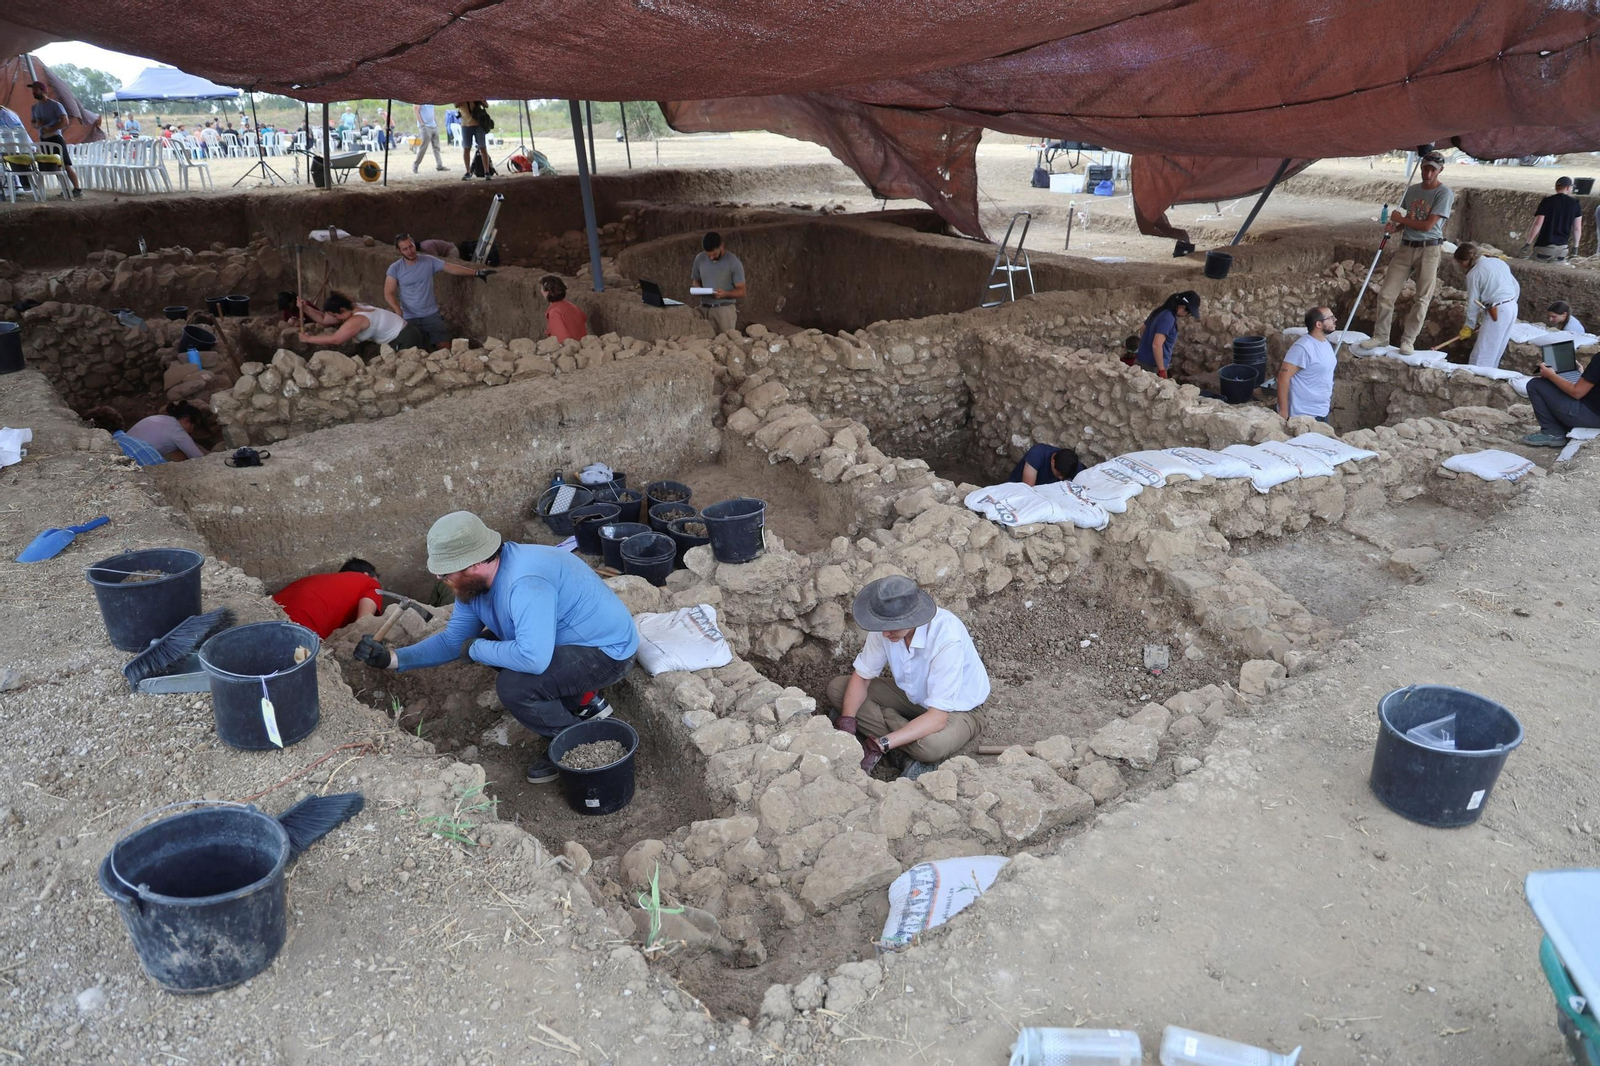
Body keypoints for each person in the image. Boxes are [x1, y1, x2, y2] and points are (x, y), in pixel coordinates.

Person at [351, 511, 639, 783]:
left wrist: (476, 649)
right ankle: (581, 698)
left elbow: (533, 658)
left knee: (513, 686)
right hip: (559, 643)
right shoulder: (472, 586)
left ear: (474, 563)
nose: (439, 579)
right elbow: (453, 642)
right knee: (489, 646)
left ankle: (574, 739)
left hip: (607, 651)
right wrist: (391, 659)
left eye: (445, 572)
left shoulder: (525, 584)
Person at [826, 575, 990, 777]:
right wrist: (847, 725)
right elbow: (862, 677)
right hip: (914, 697)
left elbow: (938, 718)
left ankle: (890, 737)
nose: (884, 634)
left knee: (931, 746)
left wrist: (882, 744)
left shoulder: (946, 638)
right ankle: (903, 741)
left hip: (959, 709)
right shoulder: (885, 627)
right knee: (838, 689)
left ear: (912, 619)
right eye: (881, 626)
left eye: (891, 628)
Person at [1359, 151, 1453, 355]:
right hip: (1406, 247)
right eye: (1425, 168)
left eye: (1432, 170)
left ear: (1440, 170)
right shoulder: (1411, 191)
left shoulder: (1444, 193)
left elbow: (1428, 225)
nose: (1428, 173)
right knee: (1386, 293)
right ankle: (1381, 337)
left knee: (1422, 298)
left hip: (1429, 248)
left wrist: (1401, 220)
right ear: (1421, 167)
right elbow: (1409, 219)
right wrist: (1395, 228)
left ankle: (1408, 340)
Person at [384, 235, 492, 349]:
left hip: (431, 314)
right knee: (411, 350)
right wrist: (397, 309)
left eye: (411, 246)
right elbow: (388, 292)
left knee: (445, 347)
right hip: (409, 316)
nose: (410, 251)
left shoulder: (429, 261)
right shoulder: (395, 268)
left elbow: (451, 268)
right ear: (399, 251)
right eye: (405, 249)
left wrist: (477, 273)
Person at [1445, 243, 1519, 369]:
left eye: (1460, 263)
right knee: (1496, 349)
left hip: (1498, 310)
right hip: (1512, 306)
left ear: (1465, 261)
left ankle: (1475, 380)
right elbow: (1516, 286)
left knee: (1483, 352)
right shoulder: (1499, 262)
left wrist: (1469, 326)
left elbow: (1473, 303)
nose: (1460, 266)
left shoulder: (1474, 274)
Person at [272, 559, 383, 639]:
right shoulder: (369, 582)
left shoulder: (314, 580)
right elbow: (363, 624)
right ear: (366, 574)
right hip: (299, 632)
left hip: (267, 618)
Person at [299, 291, 428, 351]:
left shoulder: (358, 319)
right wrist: (305, 308)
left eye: (336, 316)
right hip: (408, 331)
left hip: (405, 338)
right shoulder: (354, 306)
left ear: (342, 310)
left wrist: (309, 339)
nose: (336, 319)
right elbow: (323, 319)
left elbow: (336, 339)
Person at [1522, 352, 1600, 447]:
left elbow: (1577, 392)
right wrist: (1583, 374)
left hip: (1593, 416)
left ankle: (1552, 433)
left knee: (1535, 385)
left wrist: (1551, 375)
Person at [1278, 307, 1337, 421]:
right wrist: (1283, 410)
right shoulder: (1303, 347)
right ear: (1318, 324)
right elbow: (1283, 377)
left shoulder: (1325, 343)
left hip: (1321, 411)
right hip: (1303, 415)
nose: (1335, 319)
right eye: (1330, 318)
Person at [25, 80, 82, 199]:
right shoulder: (34, 108)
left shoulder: (55, 105)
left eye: (36, 89)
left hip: (56, 138)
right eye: (32, 90)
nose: (33, 92)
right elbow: (33, 123)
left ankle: (77, 188)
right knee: (55, 166)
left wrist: (50, 129)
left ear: (43, 90)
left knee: (65, 164)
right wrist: (37, 124)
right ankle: (65, 189)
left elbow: (64, 121)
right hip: (43, 139)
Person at [690, 231, 746, 335]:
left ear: (722, 246)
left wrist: (725, 294)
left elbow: (742, 291)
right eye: (708, 255)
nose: (711, 258)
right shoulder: (700, 259)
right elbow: (696, 280)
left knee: (725, 344)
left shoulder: (733, 262)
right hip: (704, 309)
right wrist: (698, 289)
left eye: (714, 254)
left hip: (724, 311)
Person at [1134, 291, 1200, 377]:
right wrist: (1161, 370)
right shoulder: (1168, 318)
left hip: (1141, 361)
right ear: (1182, 307)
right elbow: (1156, 345)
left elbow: (1142, 329)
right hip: (1152, 367)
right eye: (1188, 313)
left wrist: (1147, 345)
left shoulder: (1160, 311)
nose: (1186, 315)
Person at [1520, 177, 1584, 264]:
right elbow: (1577, 228)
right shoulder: (1575, 204)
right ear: (1568, 188)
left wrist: (1528, 243)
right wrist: (1575, 248)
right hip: (1562, 250)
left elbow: (1538, 224)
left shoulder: (1547, 201)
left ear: (1556, 187)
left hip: (1545, 247)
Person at [125, 401, 207, 462]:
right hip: (133, 464)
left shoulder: (159, 418)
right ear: (186, 421)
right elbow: (199, 458)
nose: (192, 431)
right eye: (194, 427)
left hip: (120, 451)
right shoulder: (178, 432)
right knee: (181, 455)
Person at [541, 275, 588, 343]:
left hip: (572, 350)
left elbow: (561, 340)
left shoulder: (554, 313)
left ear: (547, 293)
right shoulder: (572, 306)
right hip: (583, 345)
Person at [1007, 443, 1079, 486]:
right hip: (1017, 490)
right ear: (1053, 461)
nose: (1060, 479)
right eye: (1058, 475)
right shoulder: (1037, 454)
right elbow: (1027, 490)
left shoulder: (1071, 463)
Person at [457, 101, 493, 180]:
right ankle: (468, 172)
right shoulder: (459, 94)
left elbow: (486, 105)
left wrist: (477, 98)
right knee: (466, 148)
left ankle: (487, 171)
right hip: (465, 124)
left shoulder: (476, 92)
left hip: (478, 124)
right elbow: (456, 104)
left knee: (482, 147)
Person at [412, 102, 447, 173]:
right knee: (423, 147)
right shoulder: (419, 99)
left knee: (436, 147)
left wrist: (435, 122)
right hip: (426, 126)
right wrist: (422, 124)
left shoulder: (430, 99)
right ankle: (416, 164)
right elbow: (416, 110)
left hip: (433, 125)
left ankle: (439, 165)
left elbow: (432, 111)